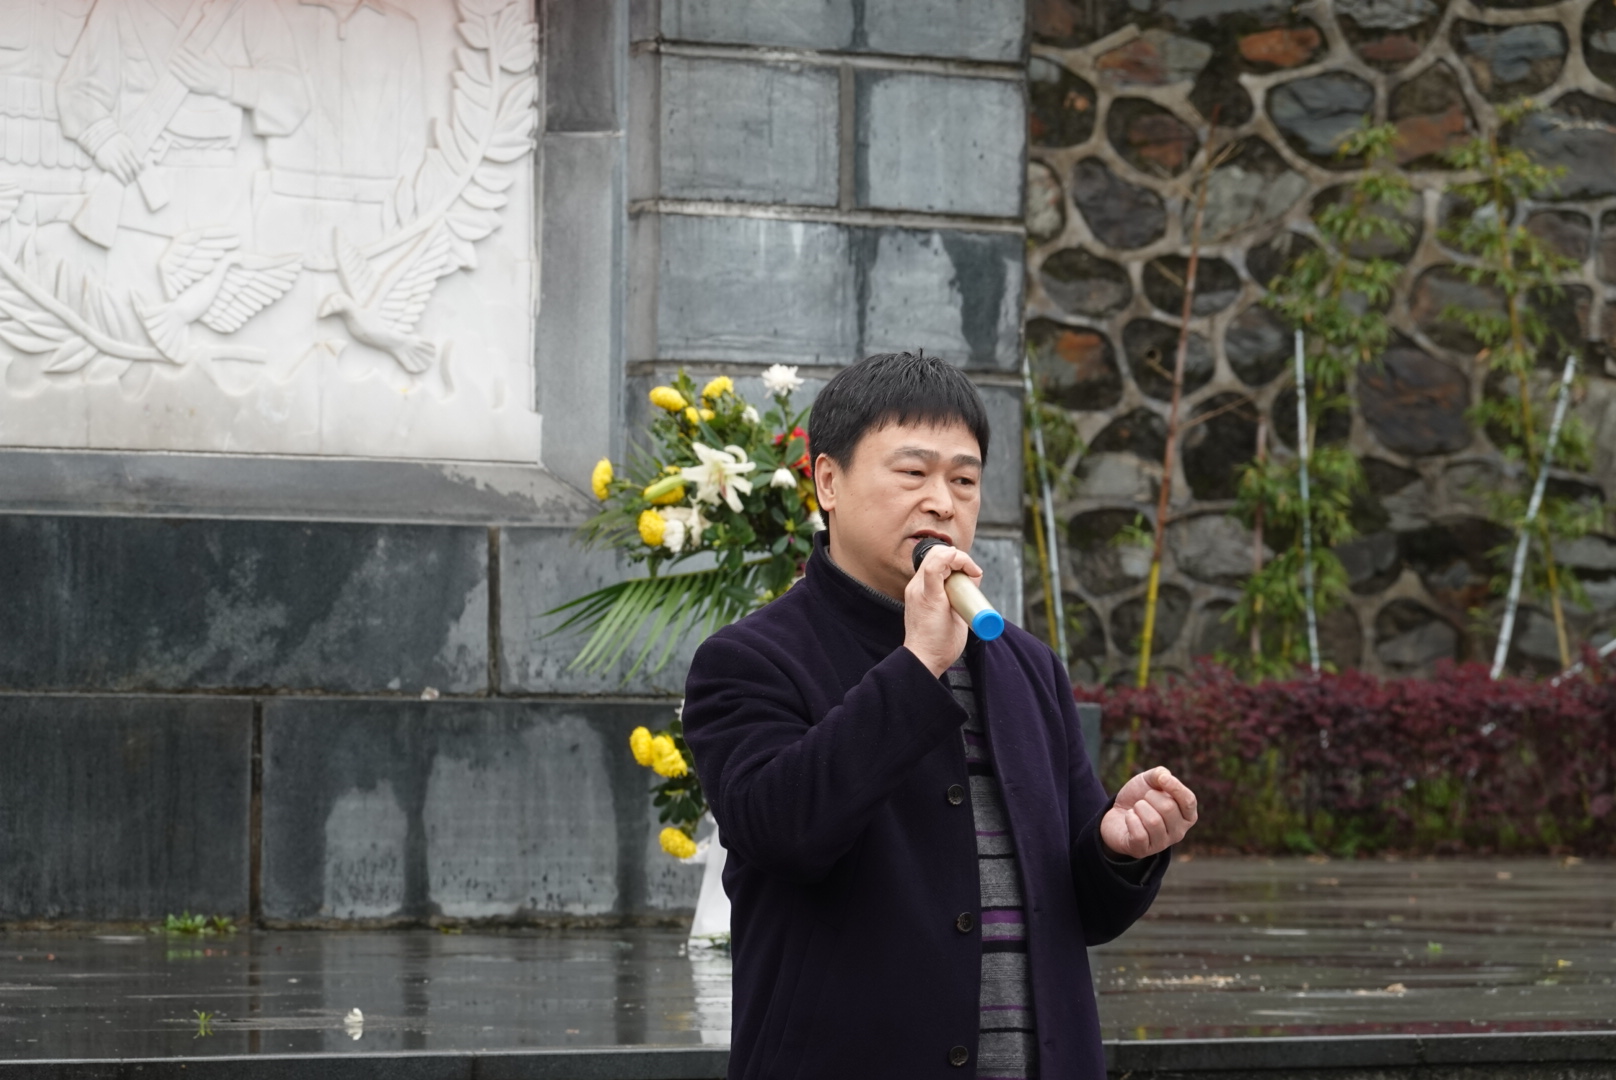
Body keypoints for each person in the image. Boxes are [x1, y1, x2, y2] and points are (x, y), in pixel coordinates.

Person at [682, 352, 1198, 1078]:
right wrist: (917, 663)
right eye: (912, 472)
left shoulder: (1027, 665)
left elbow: (1080, 912)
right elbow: (783, 833)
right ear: (828, 481)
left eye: (963, 480)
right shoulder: (749, 660)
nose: (942, 503)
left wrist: (1119, 848)